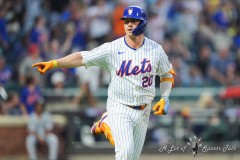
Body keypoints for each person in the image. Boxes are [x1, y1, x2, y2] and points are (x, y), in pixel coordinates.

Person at [32, 6, 175, 160]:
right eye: (126, 21)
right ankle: (110, 120)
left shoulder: (156, 49)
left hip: (144, 110)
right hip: (120, 106)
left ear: (143, 23)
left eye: (133, 21)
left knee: (132, 157)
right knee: (125, 153)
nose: (129, 24)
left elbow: (167, 74)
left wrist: (165, 97)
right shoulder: (113, 48)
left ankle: (107, 123)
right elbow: (82, 57)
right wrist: (55, 63)